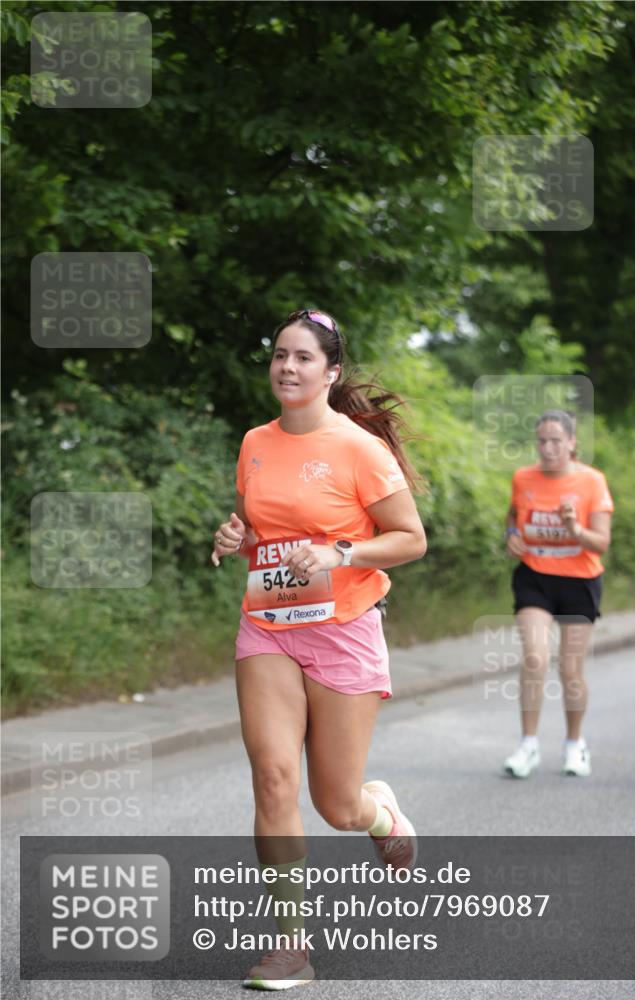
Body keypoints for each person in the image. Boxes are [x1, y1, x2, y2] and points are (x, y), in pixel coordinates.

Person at [211, 309, 428, 990]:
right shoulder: (253, 441)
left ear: (330, 373)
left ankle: (379, 811)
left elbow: (409, 538)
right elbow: (262, 528)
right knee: (273, 777)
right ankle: (290, 945)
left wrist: (340, 553)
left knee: (336, 805)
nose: (286, 367)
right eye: (279, 355)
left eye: (303, 357)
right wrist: (236, 539)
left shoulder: (359, 449)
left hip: (344, 627)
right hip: (268, 625)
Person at [502, 409, 614, 779]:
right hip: (535, 577)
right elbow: (512, 516)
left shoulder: (592, 482)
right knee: (535, 658)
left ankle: (574, 744)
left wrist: (574, 528)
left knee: (570, 669)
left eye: (555, 441)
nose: (548, 448)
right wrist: (511, 538)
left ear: (572, 442)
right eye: (542, 441)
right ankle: (528, 745)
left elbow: (601, 543)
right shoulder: (523, 477)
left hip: (579, 582)